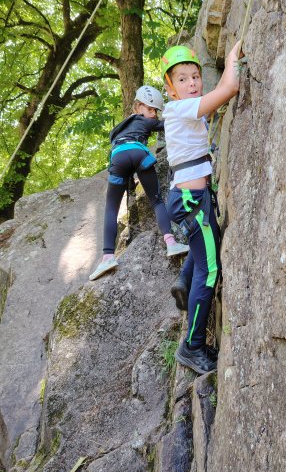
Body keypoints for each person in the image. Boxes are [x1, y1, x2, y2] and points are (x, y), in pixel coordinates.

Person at [160, 42, 241, 374]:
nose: (192, 83)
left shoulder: (187, 108)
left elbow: (218, 93)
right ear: (171, 89)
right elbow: (229, 89)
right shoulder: (179, 109)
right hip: (191, 201)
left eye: (195, 76)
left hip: (192, 198)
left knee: (207, 245)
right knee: (209, 271)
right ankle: (192, 347)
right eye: (182, 79)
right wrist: (233, 57)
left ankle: (183, 279)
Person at [89, 85, 189, 281]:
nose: (153, 114)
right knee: (156, 200)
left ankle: (107, 257)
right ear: (138, 107)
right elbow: (169, 123)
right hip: (138, 153)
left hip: (118, 158)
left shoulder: (120, 128)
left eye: (155, 111)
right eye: (150, 109)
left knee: (111, 209)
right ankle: (171, 243)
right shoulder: (146, 121)